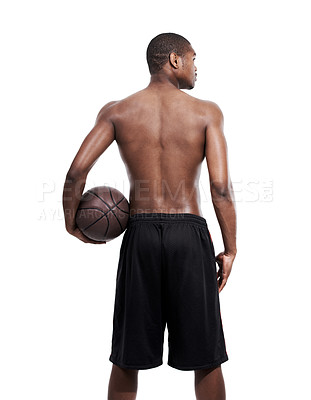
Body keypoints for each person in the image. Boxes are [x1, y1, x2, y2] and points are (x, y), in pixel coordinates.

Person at [62, 32, 237, 400]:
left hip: (139, 234)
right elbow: (220, 188)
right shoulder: (206, 112)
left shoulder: (117, 111)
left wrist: (71, 223)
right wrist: (230, 249)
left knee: (127, 358)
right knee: (206, 357)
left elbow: (76, 173)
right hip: (189, 236)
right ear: (174, 60)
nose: (195, 67)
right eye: (193, 59)